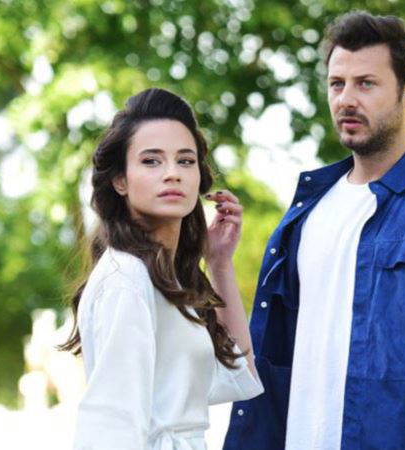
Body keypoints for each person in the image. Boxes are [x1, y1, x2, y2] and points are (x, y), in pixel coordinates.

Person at [224, 11, 405, 450]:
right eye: (337, 84)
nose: (346, 99)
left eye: (366, 84)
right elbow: (272, 355)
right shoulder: (307, 211)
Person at [60, 87, 263, 450]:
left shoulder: (166, 279)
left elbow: (240, 371)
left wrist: (219, 263)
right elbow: (111, 427)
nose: (172, 173)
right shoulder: (126, 278)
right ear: (120, 180)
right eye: (151, 161)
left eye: (185, 161)